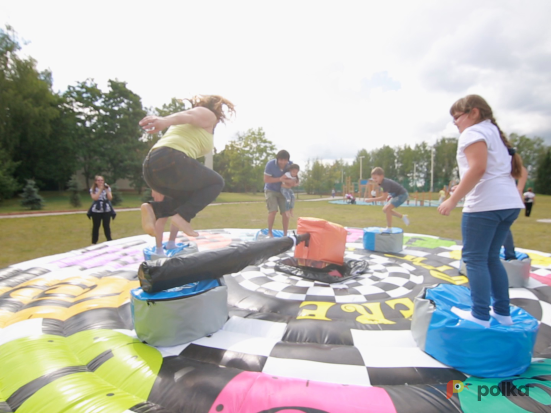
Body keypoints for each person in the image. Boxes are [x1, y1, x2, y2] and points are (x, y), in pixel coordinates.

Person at [438, 94, 524, 328]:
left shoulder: (473, 132)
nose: (455, 122)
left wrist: (453, 199)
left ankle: (480, 315)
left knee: (474, 259)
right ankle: (502, 313)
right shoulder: (492, 132)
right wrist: (462, 186)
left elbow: (478, 168)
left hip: (486, 204)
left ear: (473, 112)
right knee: (491, 258)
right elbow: (487, 170)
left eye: (457, 117)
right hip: (508, 203)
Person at [140, 95, 235, 241]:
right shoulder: (208, 114)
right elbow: (190, 115)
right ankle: (183, 217)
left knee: (189, 197)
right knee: (217, 182)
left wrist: (157, 183)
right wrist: (164, 121)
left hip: (152, 166)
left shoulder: (188, 128)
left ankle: (153, 209)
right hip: (170, 157)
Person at [264, 150, 294, 237]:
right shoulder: (270, 165)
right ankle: (270, 232)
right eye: (281, 160)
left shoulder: (291, 165)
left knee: (285, 213)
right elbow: (266, 180)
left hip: (284, 191)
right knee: (273, 211)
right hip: (271, 190)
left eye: (285, 160)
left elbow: (294, 178)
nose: (283, 162)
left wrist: (292, 182)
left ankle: (285, 234)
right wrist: (280, 179)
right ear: (277, 159)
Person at [87, 175, 115, 244]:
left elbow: (110, 198)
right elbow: (95, 198)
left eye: (102, 180)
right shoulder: (93, 189)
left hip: (106, 210)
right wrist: (100, 190)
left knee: (106, 226)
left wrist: (106, 190)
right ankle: (94, 242)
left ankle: (109, 240)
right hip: (96, 210)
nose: (100, 182)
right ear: (95, 182)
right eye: (99, 180)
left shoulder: (107, 188)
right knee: (96, 226)